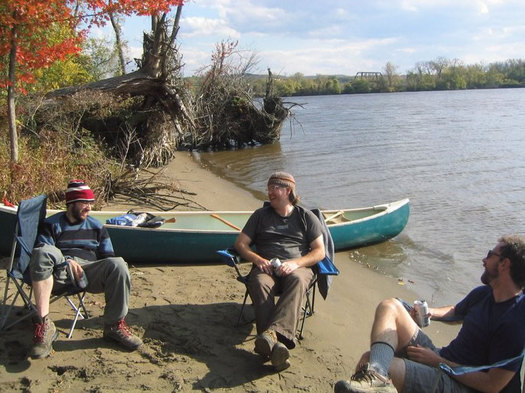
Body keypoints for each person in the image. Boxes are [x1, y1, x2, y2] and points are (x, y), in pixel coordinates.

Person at [334, 234, 525, 393]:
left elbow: (492, 385)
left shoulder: (515, 321)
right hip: (443, 359)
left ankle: (378, 377)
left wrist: (439, 363)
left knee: (382, 365)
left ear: (504, 264)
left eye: (490, 255)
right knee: (390, 307)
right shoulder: (484, 293)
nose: (484, 260)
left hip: (461, 383)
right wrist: (429, 313)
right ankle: (376, 375)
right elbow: (455, 311)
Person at [29, 180, 143, 359]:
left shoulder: (97, 226)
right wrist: (66, 261)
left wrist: (90, 266)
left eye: (91, 203)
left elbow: (108, 258)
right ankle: (44, 326)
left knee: (119, 264)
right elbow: (42, 252)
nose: (89, 207)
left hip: (88, 272)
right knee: (43, 251)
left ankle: (114, 325)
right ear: (71, 203)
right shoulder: (52, 224)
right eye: (85, 203)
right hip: (60, 272)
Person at [234, 172, 325, 371]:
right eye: (269, 188)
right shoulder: (260, 215)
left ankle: (269, 337)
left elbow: (320, 251)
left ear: (288, 191)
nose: (270, 192)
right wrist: (258, 260)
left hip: (297, 268)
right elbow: (241, 244)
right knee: (259, 282)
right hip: (266, 267)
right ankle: (276, 346)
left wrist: (296, 263)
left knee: (298, 280)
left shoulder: (305, 217)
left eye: (275, 188)